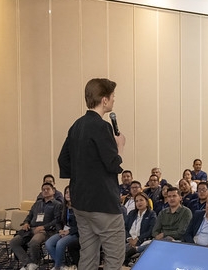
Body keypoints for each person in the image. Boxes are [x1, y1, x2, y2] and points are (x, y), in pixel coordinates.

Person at [57, 78, 126, 270]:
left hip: (81, 202)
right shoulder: (102, 126)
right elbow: (113, 164)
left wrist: (84, 175)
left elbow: (63, 161)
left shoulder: (76, 126)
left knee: (88, 255)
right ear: (104, 100)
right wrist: (120, 146)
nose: (113, 101)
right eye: (112, 97)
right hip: (103, 202)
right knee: (114, 256)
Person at [11, 183, 63, 270]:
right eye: (43, 190)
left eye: (48, 189)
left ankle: (34, 263)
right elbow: (29, 216)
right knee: (14, 242)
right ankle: (28, 264)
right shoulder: (37, 204)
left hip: (45, 231)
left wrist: (44, 227)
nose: (45, 191)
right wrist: (26, 223)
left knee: (34, 242)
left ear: (53, 191)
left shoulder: (57, 204)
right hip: (31, 229)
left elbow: (57, 220)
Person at [45, 186, 79, 270]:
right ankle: (62, 265)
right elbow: (58, 221)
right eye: (66, 192)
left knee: (60, 243)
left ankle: (57, 267)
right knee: (49, 243)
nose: (68, 194)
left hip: (75, 232)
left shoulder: (79, 208)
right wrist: (60, 230)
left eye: (70, 192)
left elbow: (82, 225)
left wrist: (69, 231)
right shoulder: (63, 207)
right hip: (63, 231)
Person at [123, 192, 157, 266]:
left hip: (142, 240)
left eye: (141, 200)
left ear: (147, 202)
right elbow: (124, 227)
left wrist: (138, 239)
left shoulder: (151, 214)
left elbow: (150, 231)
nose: (139, 203)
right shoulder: (132, 213)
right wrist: (129, 238)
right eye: (136, 201)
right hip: (129, 240)